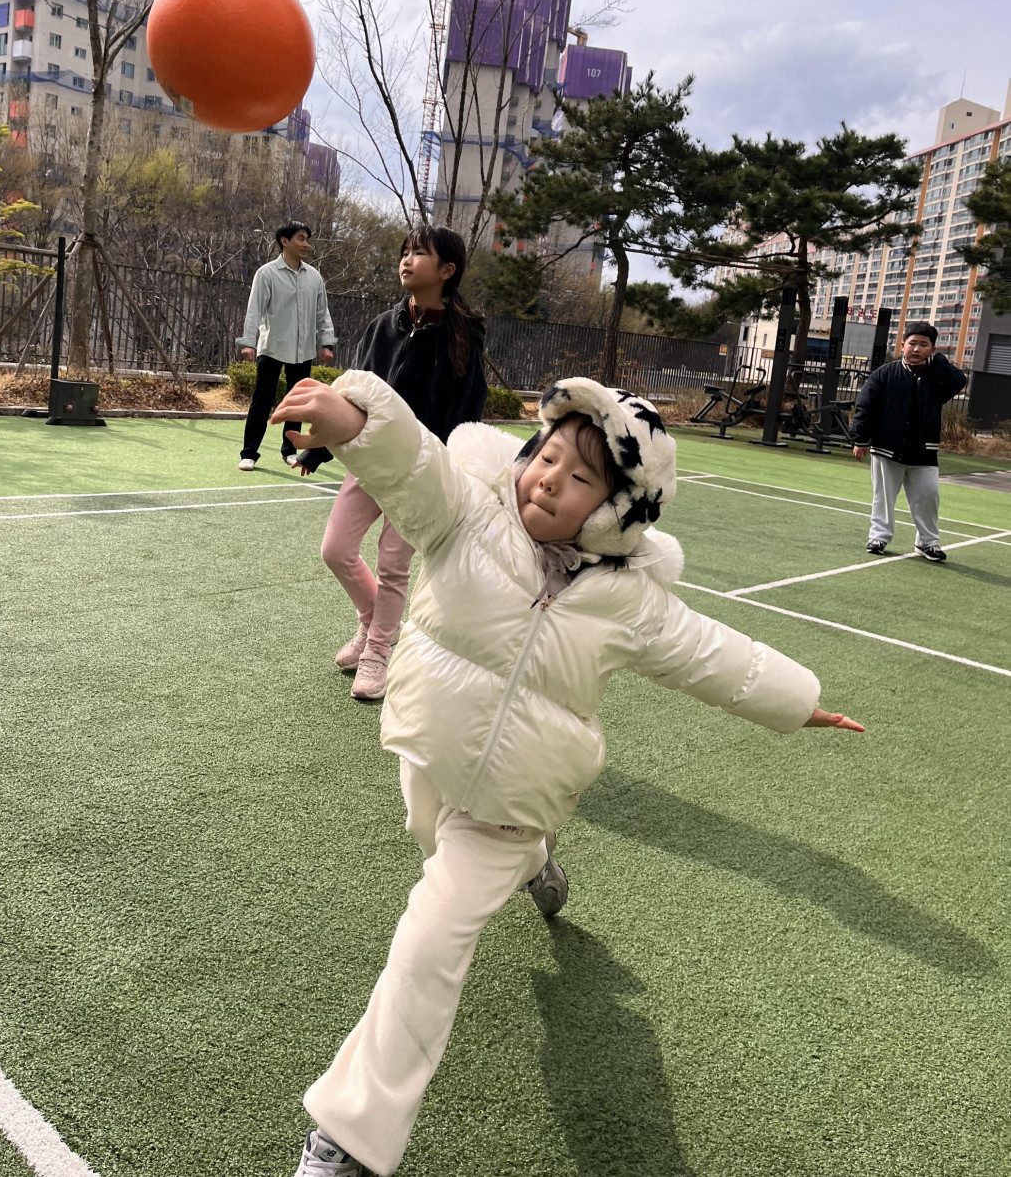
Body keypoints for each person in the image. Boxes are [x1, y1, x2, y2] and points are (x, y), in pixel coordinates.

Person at [271, 369, 863, 1177]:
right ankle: (538, 863)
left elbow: (717, 657)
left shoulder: (633, 602)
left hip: (515, 796)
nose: (549, 477)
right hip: (431, 749)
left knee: (430, 938)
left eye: (581, 475)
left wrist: (801, 703)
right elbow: (413, 467)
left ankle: (347, 1136)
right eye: (547, 455)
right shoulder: (467, 514)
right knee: (424, 831)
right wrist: (354, 418)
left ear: (619, 509)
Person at [292, 225, 487, 702]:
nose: (407, 260)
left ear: (447, 270)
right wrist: (319, 447)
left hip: (421, 471)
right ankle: (374, 621)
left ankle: (378, 651)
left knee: (394, 564)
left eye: (420, 253)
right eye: (405, 251)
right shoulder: (383, 325)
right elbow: (351, 394)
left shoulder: (463, 334)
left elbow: (468, 405)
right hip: (370, 461)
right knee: (335, 549)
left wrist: (456, 463)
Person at [851, 320, 967, 562]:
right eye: (912, 343)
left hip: (924, 450)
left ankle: (927, 543)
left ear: (932, 349)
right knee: (883, 497)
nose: (916, 349)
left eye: (924, 345)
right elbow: (865, 405)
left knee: (929, 496)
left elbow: (959, 381)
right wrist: (860, 439)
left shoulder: (937, 377)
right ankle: (879, 537)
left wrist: (937, 363)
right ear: (902, 345)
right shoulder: (885, 373)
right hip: (886, 447)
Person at [236, 220, 336, 471]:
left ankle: (289, 450)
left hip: (303, 350)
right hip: (272, 347)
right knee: (262, 400)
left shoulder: (314, 277)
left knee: (297, 403)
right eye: (301, 238)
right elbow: (254, 309)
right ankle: (249, 454)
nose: (306, 244)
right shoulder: (266, 273)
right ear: (284, 241)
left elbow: (322, 314)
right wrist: (248, 342)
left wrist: (326, 343)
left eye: (307, 239)